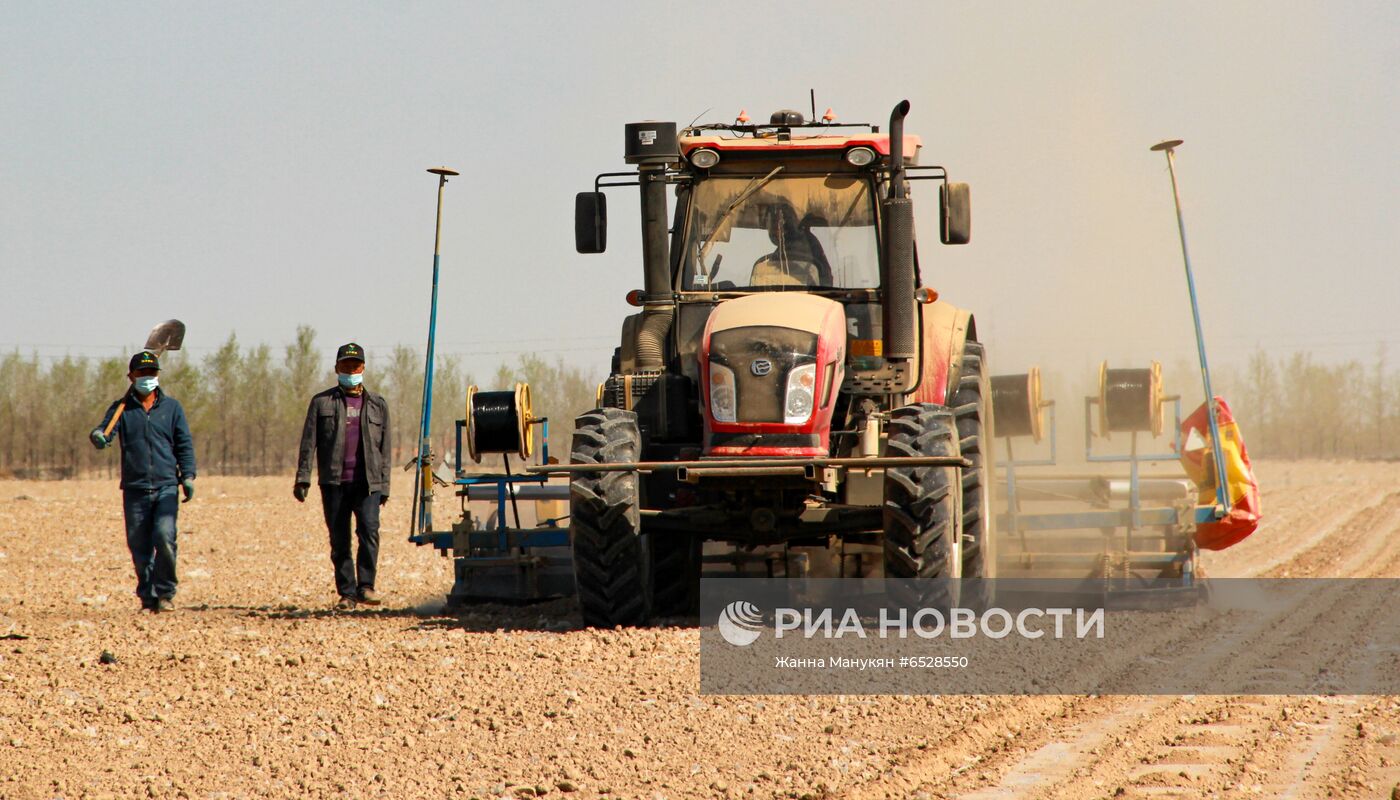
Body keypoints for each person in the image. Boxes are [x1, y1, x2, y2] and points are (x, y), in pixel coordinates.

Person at [89, 350, 196, 613]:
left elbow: (184, 444)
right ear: (131, 376)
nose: (148, 377)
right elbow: (105, 431)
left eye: (152, 373)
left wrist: (189, 475)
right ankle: (148, 597)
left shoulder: (172, 408)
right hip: (135, 488)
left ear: (158, 375)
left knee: (164, 536)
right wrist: (97, 436)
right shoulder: (121, 409)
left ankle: (166, 592)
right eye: (142, 373)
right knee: (139, 547)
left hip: (166, 485)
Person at [294, 343, 392, 609]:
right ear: (337, 368)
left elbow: (385, 449)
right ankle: (347, 593)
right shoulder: (321, 402)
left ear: (363, 368)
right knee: (339, 540)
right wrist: (303, 477)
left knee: (369, 532)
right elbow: (308, 442)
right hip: (334, 483)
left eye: (355, 365)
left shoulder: (377, 405)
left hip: (367, 483)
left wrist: (385, 486)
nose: (351, 370)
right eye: (346, 365)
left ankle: (366, 587)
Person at [749, 203, 830, 287]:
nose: (770, 230)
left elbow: (825, 280)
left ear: (782, 224)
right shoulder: (784, 248)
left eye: (772, 224)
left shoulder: (804, 244)